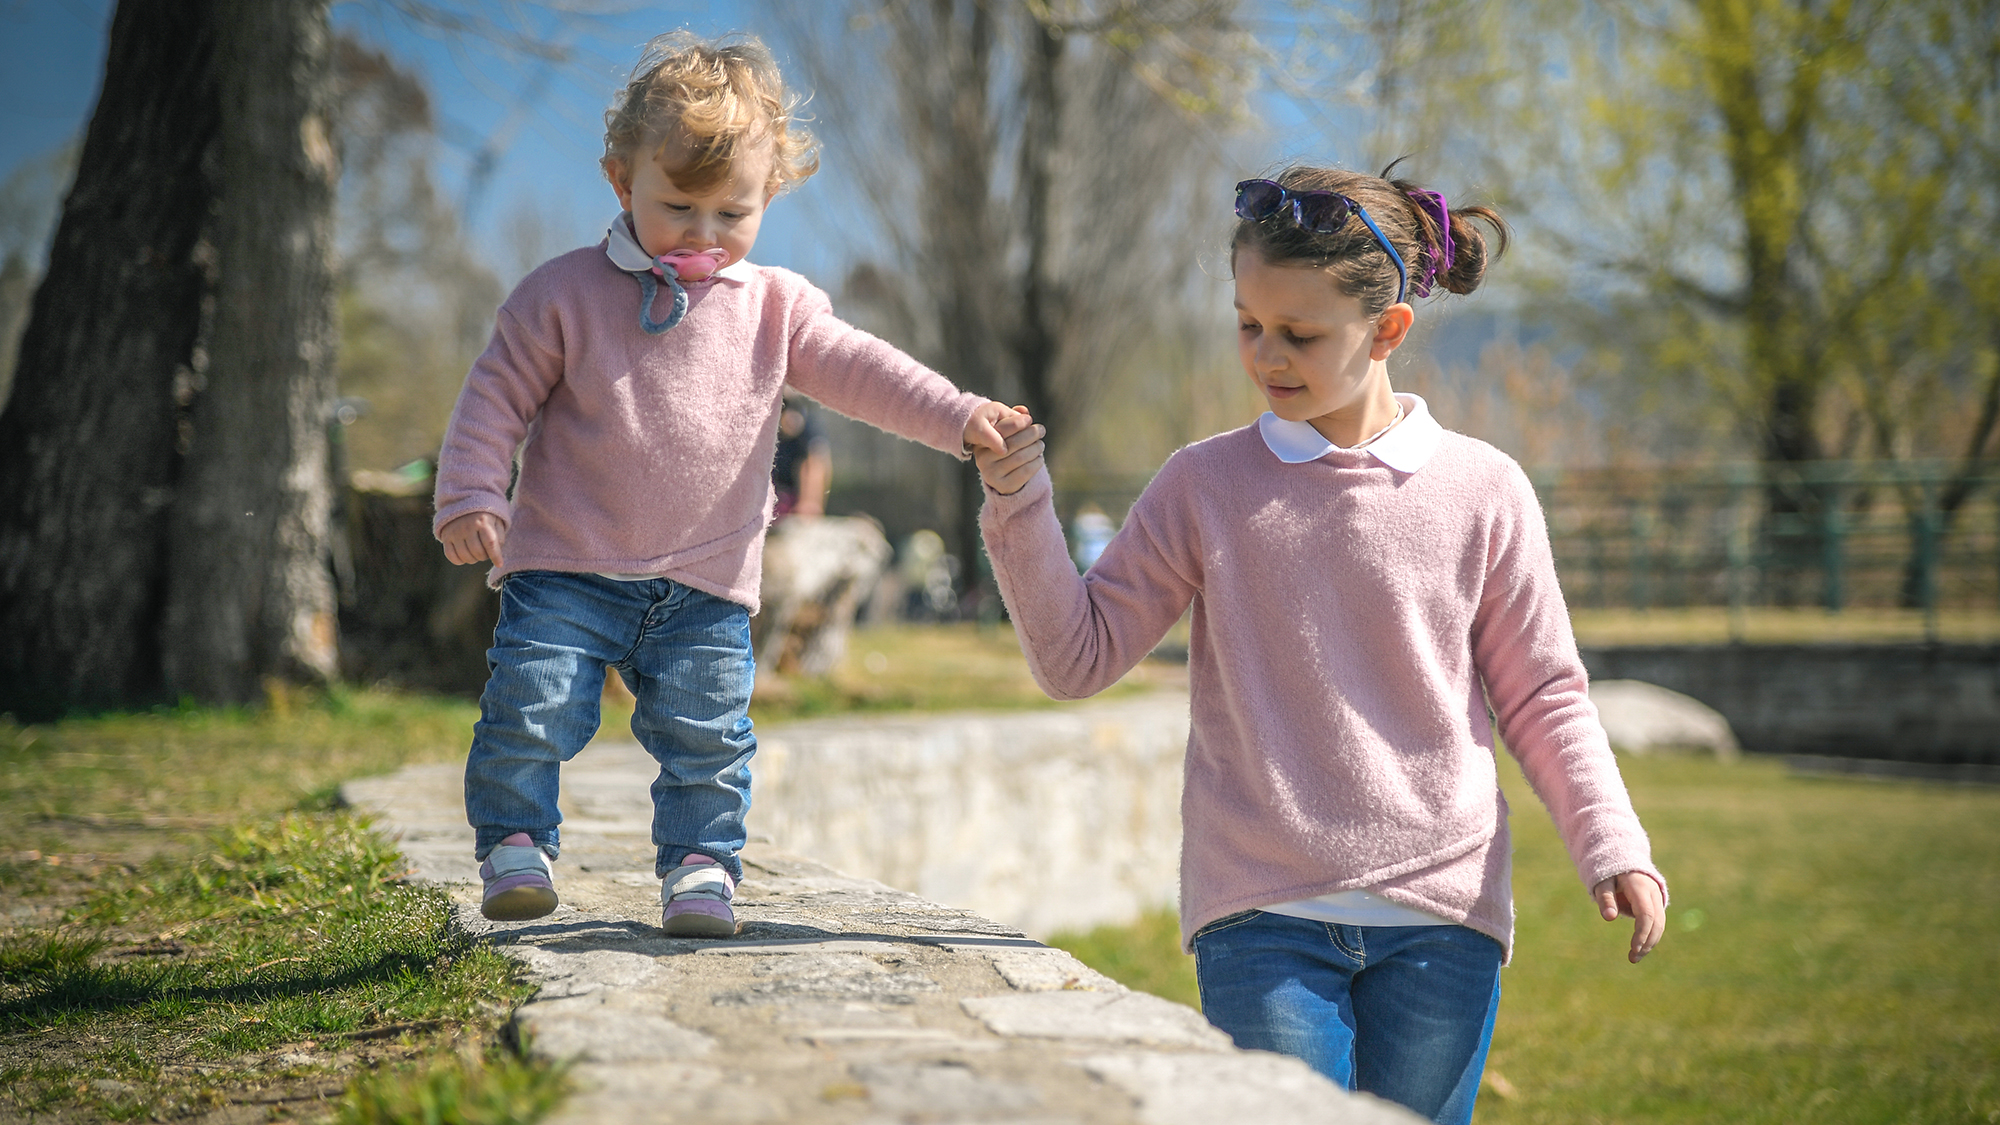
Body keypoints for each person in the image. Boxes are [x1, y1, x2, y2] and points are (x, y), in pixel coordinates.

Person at [972, 164, 1666, 1125]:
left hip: (1444, 923)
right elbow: (1077, 656)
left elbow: (1544, 694)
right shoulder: (1202, 485)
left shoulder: (1485, 489)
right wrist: (1019, 502)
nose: (1266, 355)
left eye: (1299, 333)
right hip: (1262, 916)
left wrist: (1611, 842)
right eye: (1248, 323)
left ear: (1387, 332)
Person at [432, 31, 1027, 937]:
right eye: (679, 207)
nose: (704, 235)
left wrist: (956, 415)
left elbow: (866, 371)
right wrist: (474, 493)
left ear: (771, 194)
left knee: (709, 741)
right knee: (532, 703)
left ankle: (701, 869)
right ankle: (514, 842)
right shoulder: (560, 296)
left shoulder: (778, 307)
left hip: (705, 583)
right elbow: (496, 394)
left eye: (732, 213)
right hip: (567, 565)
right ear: (621, 180)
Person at [771, 393, 831, 518]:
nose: (791, 416)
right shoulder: (768, 430)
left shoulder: (807, 430)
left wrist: (810, 503)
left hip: (792, 497)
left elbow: (816, 465)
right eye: (785, 408)